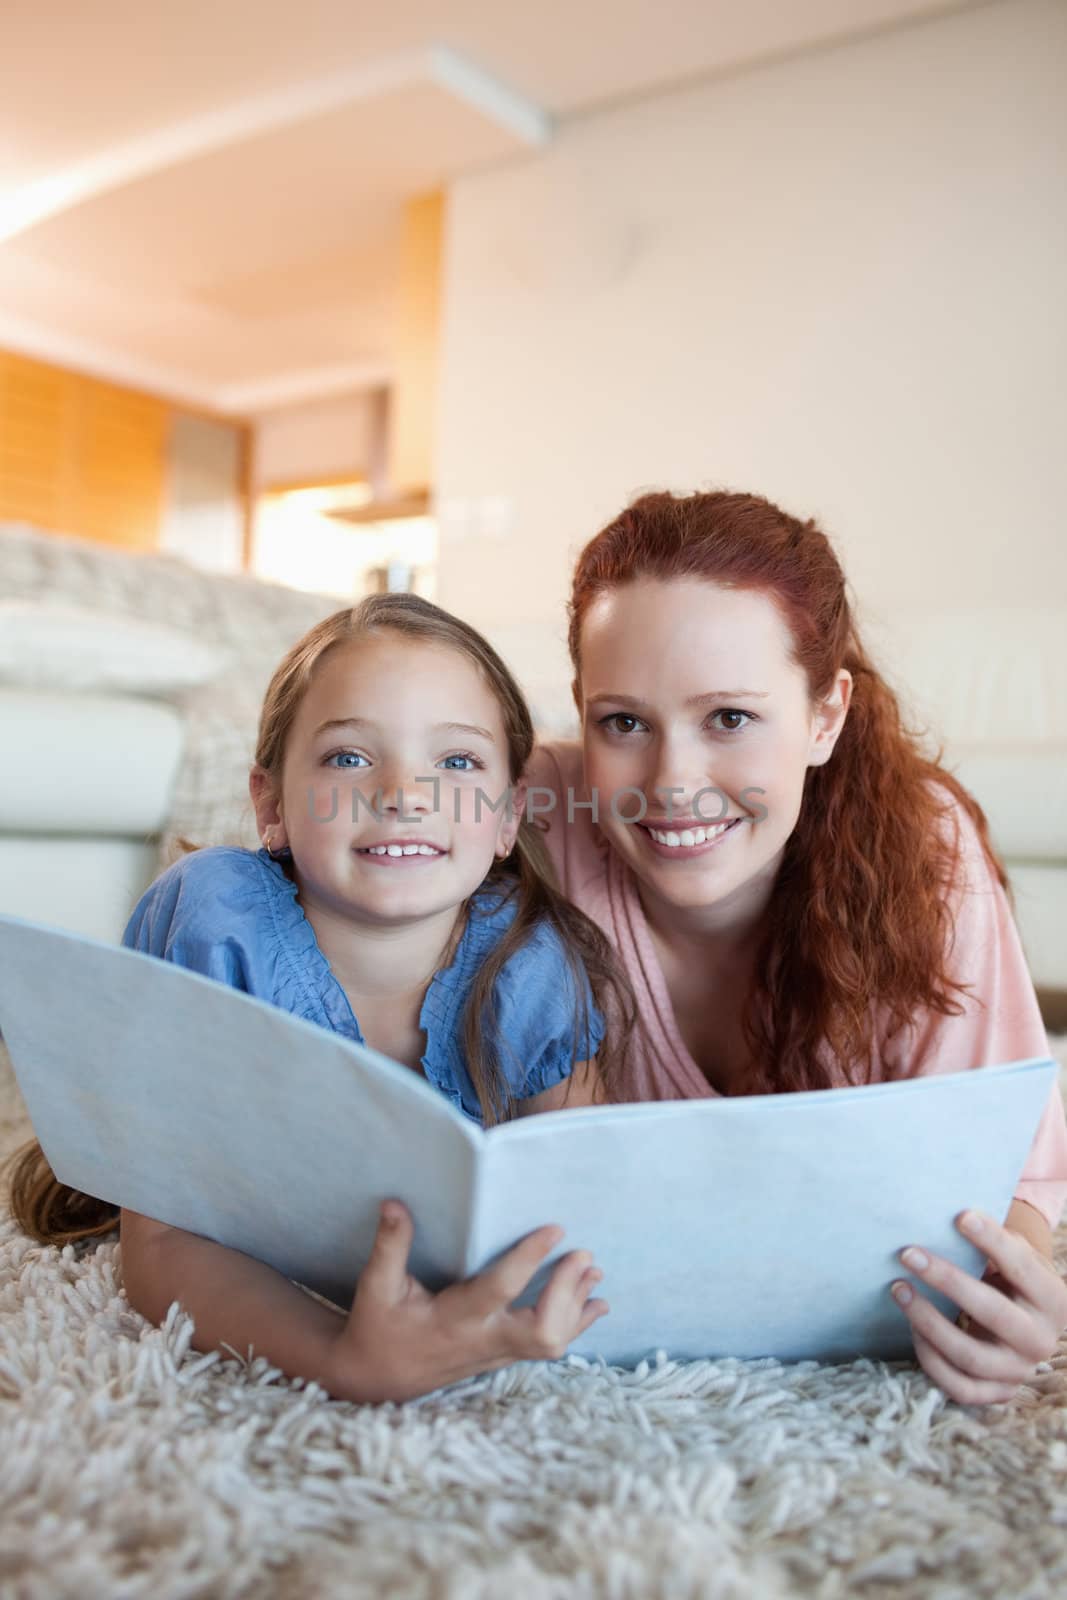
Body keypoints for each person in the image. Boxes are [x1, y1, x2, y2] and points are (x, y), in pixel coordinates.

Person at [9, 594, 635, 1403]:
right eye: (348, 758)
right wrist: (342, 1359)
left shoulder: (534, 961)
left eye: (456, 762)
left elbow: (581, 1213)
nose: (405, 793)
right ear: (270, 804)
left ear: (508, 815)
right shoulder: (218, 921)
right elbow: (161, 1244)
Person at [527, 488, 1067, 1406]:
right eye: (623, 723)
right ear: (581, 713)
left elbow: (1012, 1169)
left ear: (824, 716)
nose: (673, 782)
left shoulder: (921, 848)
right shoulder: (531, 814)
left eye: (729, 718)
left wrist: (1007, 1302)